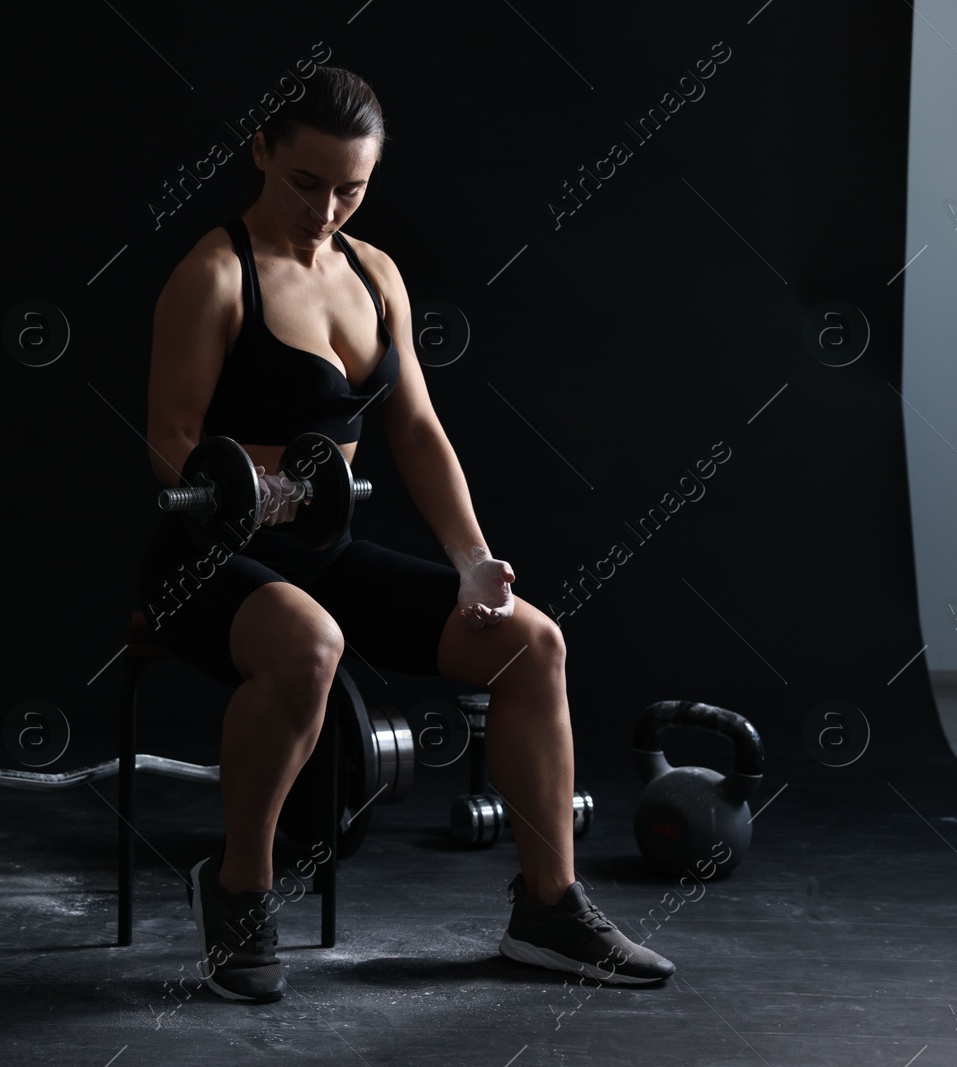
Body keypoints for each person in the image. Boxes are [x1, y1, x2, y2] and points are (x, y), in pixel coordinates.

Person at [138, 66, 674, 1003]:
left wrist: (472, 561)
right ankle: (239, 888)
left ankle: (548, 909)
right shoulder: (215, 274)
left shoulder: (373, 273)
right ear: (261, 151)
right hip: (210, 558)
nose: (326, 207)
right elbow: (170, 440)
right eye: (307, 181)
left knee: (530, 643)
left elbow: (416, 428)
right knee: (311, 641)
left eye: (352, 187)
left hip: (323, 552)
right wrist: (250, 491)